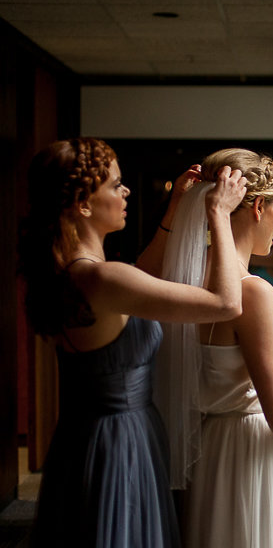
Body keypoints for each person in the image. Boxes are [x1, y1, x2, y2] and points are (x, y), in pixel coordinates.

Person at [17, 137, 248, 547]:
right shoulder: (104, 278)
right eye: (115, 184)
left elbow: (141, 277)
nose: (126, 192)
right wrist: (219, 213)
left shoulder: (82, 274)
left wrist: (175, 208)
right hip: (120, 438)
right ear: (83, 203)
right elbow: (226, 302)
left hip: (85, 434)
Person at [157, 148, 273, 548]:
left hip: (212, 457)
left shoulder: (181, 280)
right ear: (258, 207)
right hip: (256, 460)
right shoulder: (253, 292)